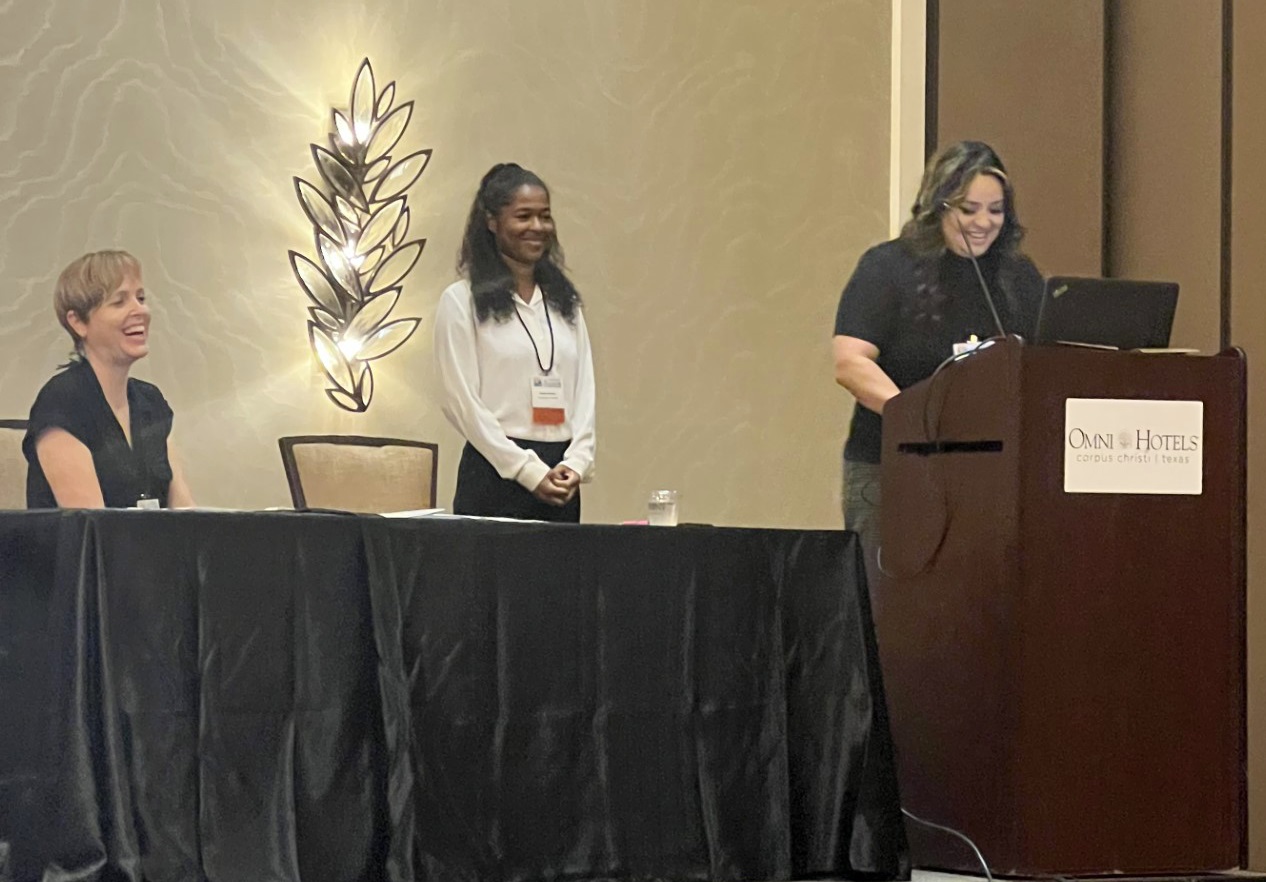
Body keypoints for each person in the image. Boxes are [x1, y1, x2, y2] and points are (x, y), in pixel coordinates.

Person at [833, 140, 1043, 568]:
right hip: (894, 468)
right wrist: (913, 418)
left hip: (990, 476)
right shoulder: (887, 268)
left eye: (996, 210)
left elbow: (1045, 362)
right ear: (938, 206)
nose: (984, 222)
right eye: (968, 210)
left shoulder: (1017, 277)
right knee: (888, 609)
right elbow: (850, 362)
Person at [433, 163, 595, 522]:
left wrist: (578, 461)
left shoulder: (564, 302)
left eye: (545, 216)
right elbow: (460, 402)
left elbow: (585, 390)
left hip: (560, 479)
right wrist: (526, 470)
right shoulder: (462, 300)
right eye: (523, 216)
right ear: (492, 222)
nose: (537, 228)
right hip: (495, 472)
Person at [23, 250, 194, 509]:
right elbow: (94, 529)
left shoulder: (151, 401)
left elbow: (185, 514)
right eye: (119, 302)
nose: (140, 311)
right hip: (91, 549)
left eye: (141, 298)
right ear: (78, 322)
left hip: (155, 548)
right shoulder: (62, 402)